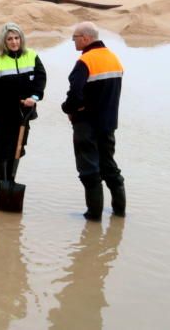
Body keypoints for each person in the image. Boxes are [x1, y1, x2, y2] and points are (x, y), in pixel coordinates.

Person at [61, 22, 126, 221]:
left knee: (89, 171)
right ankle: (119, 212)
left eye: (75, 38)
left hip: (86, 124)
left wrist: (68, 109)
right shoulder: (114, 59)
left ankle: (94, 215)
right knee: (110, 167)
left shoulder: (85, 61)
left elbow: (75, 94)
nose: (73, 41)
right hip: (108, 123)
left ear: (86, 38)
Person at [0, 22, 47, 209]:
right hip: (1, 115)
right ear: (4, 41)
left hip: (24, 115)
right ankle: (1, 185)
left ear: (21, 39)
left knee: (17, 150)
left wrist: (34, 97)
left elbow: (41, 79)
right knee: (1, 151)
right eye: (10, 39)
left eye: (17, 38)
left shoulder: (32, 56)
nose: (14, 42)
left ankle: (11, 182)